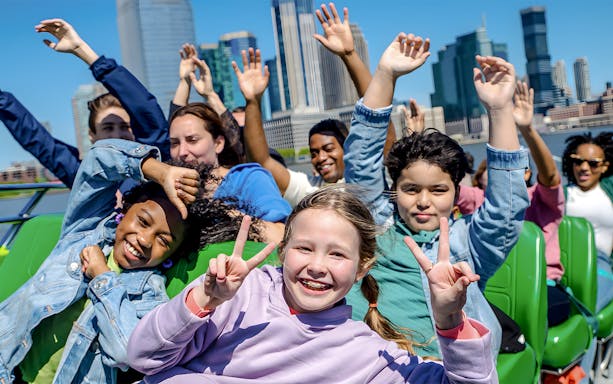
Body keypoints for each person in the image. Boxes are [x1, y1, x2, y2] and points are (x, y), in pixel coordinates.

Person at [127, 187, 497, 383]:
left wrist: (450, 318)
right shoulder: (237, 296)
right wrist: (206, 298)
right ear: (284, 250)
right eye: (304, 248)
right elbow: (144, 358)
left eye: (337, 255)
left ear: (360, 269)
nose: (317, 267)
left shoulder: (368, 356)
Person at [0, 137, 254, 383]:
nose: (144, 240)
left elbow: (126, 352)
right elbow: (97, 160)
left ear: (170, 255)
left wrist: (103, 278)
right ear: (125, 210)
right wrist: (160, 171)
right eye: (143, 221)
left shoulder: (149, 295)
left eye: (163, 241)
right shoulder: (84, 231)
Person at [343, 32, 529, 360]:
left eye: (439, 190)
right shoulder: (377, 226)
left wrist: (500, 108)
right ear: (394, 191)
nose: (424, 201)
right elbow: (360, 158)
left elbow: (505, 206)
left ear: (458, 192)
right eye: (410, 189)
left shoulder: (468, 244)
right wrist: (385, 74)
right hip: (362, 361)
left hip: (440, 369)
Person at [238, 4, 396, 207]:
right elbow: (263, 162)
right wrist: (253, 101)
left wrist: (349, 55)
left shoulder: (368, 179)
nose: (321, 158)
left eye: (328, 148)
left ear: (348, 148)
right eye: (314, 153)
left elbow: (377, 116)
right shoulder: (309, 190)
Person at [0, 19, 170, 189]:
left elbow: (145, 109)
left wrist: (81, 49)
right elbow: (36, 139)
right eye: (108, 128)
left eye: (125, 127)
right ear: (92, 136)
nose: (118, 134)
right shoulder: (83, 177)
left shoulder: (154, 169)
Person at [455, 81, 569, 326]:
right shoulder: (481, 201)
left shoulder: (540, 198)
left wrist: (527, 129)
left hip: (544, 285)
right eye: (492, 168)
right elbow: (442, 190)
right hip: (492, 284)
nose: (501, 172)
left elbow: (550, 177)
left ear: (526, 173)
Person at [168, 102, 291, 226]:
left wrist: (215, 210)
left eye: (192, 140)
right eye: (174, 143)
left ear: (218, 144)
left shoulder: (249, 180)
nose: (182, 152)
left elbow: (281, 233)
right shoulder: (172, 189)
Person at [562, 131, 613, 313]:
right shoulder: (562, 195)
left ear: (605, 167)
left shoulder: (609, 190)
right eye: (578, 161)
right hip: (565, 263)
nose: (584, 168)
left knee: (587, 308)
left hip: (601, 262)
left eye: (592, 163)